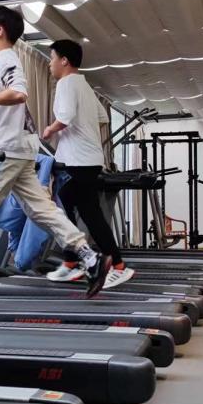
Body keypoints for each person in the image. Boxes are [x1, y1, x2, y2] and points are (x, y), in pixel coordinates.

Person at [0, 6, 110, 306]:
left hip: (6, 151)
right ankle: (90, 258)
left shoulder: (5, 58)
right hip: (20, 150)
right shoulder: (3, 61)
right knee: (42, 210)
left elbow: (19, 93)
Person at [41, 39, 135, 289]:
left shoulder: (66, 83)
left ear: (64, 60)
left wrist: (49, 130)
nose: (50, 64)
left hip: (79, 161)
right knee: (71, 203)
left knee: (81, 211)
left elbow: (65, 117)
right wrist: (83, 129)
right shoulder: (84, 85)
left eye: (52, 58)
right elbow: (103, 117)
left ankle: (115, 264)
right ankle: (74, 260)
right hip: (89, 159)